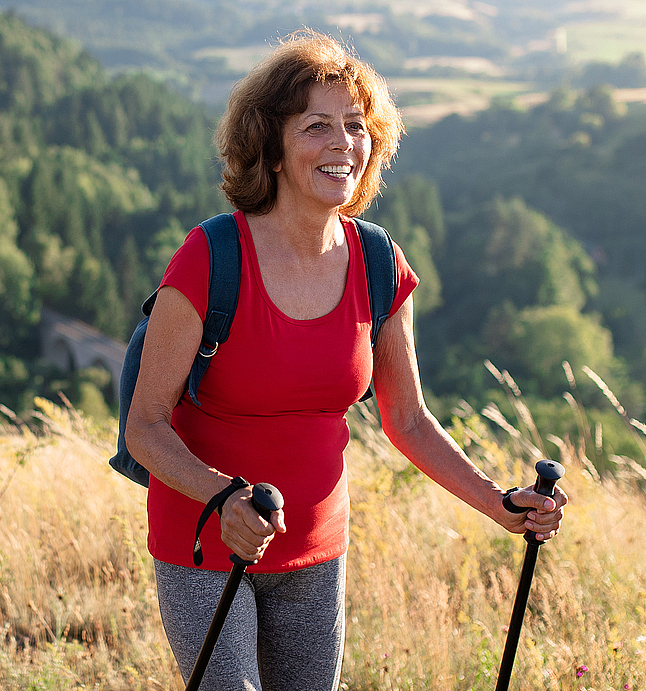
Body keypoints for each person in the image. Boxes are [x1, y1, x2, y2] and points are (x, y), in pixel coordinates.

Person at [125, 32, 568, 690]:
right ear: (271, 147)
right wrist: (224, 497)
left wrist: (499, 503)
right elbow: (146, 424)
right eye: (316, 126)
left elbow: (409, 420)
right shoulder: (211, 258)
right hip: (208, 546)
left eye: (356, 126)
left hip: (318, 553)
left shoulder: (379, 263)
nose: (342, 143)